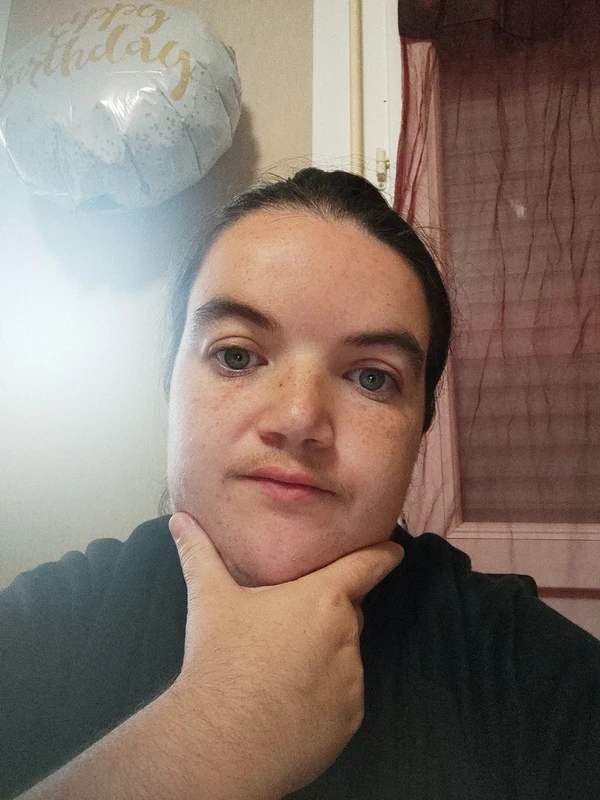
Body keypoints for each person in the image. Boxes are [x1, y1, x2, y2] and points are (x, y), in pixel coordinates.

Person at [1, 168, 599, 800]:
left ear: (420, 429)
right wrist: (201, 744)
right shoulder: (39, 633)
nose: (298, 418)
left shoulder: (532, 678)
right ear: (170, 386)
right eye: (237, 356)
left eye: (372, 378)